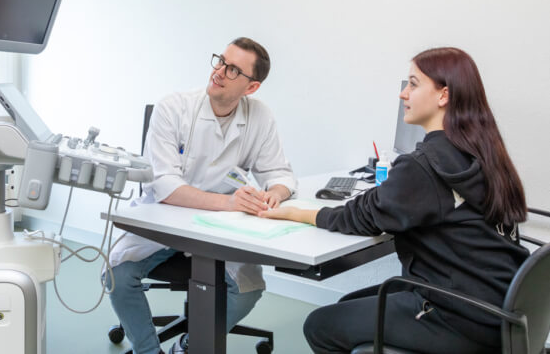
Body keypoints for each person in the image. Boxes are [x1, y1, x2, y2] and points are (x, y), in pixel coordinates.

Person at [260, 47, 529, 354]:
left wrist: (297, 212)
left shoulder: (425, 165)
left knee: (320, 326)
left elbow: (359, 218)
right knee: (349, 305)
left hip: (457, 314)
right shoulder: (483, 152)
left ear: (443, 95)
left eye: (413, 84)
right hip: (497, 306)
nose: (404, 94)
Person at [108, 37, 297, 354]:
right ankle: (148, 349)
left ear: (251, 88)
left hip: (220, 227)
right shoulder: (174, 108)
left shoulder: (259, 116)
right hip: (164, 219)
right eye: (221, 61)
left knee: (249, 289)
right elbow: (165, 187)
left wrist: (274, 193)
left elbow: (279, 172)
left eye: (233, 69)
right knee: (117, 274)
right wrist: (230, 203)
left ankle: (191, 344)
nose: (219, 71)